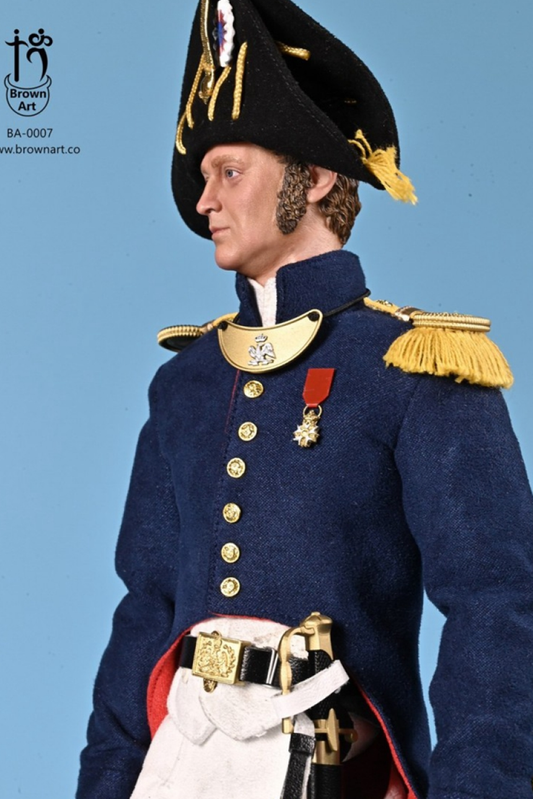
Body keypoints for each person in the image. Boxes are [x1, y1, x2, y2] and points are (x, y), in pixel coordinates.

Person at [76, 0, 533, 797]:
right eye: (203, 177)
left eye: (229, 172)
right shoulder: (185, 385)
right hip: (181, 758)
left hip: (333, 765)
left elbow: (497, 599)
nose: (203, 202)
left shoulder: (414, 367)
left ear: (314, 177)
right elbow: (144, 608)